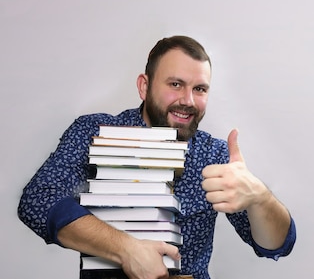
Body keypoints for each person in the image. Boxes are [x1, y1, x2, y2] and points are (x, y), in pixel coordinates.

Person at [18, 35, 296, 279]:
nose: (188, 100)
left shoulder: (216, 155)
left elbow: (274, 245)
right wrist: (126, 249)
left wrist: (260, 196)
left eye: (199, 89)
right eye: (175, 84)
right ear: (144, 86)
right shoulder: (95, 133)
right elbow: (38, 200)